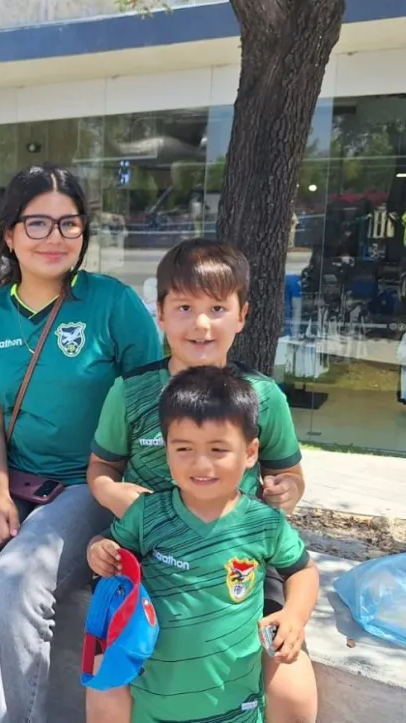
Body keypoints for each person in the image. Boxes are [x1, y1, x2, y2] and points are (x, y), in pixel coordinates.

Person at [0, 164, 163, 723]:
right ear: (9, 234)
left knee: (9, 592)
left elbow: (151, 412)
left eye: (69, 224)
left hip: (89, 482)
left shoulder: (113, 305)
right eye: (37, 224)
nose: (55, 238)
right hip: (9, 476)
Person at [86, 238, 318, 723]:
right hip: (151, 550)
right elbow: (101, 469)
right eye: (185, 307)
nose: (201, 323)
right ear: (161, 313)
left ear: (242, 314)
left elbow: (288, 474)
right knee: (109, 683)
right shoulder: (130, 392)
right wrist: (115, 495)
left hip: (239, 552)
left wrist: (286, 491)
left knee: (293, 687)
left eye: (217, 307)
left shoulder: (263, 396)